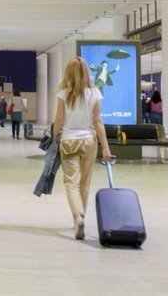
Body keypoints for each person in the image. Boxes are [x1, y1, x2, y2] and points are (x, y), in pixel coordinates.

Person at [53, 56, 111, 240]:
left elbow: (59, 118)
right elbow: (98, 121)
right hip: (88, 140)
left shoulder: (63, 93)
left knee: (71, 183)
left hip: (69, 140)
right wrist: (106, 148)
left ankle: (77, 217)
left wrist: (54, 138)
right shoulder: (94, 93)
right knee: (84, 184)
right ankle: (81, 218)